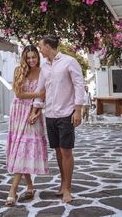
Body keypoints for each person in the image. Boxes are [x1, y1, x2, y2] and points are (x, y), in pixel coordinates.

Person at [30, 35, 84, 203]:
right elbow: (41, 90)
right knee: (58, 152)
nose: (39, 49)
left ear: (48, 46)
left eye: (41, 46)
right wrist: (36, 110)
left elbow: (79, 85)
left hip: (66, 113)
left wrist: (78, 110)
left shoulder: (69, 61)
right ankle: (62, 183)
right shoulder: (44, 67)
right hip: (51, 114)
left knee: (66, 151)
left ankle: (68, 189)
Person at [5, 45, 49, 206]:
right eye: (28, 57)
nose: (31, 60)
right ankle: (29, 186)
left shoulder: (44, 72)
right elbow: (18, 93)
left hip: (32, 112)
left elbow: (44, 96)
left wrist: (36, 112)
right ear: (24, 57)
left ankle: (13, 191)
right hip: (18, 112)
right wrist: (37, 94)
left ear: (38, 57)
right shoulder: (19, 70)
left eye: (34, 57)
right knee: (20, 150)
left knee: (24, 150)